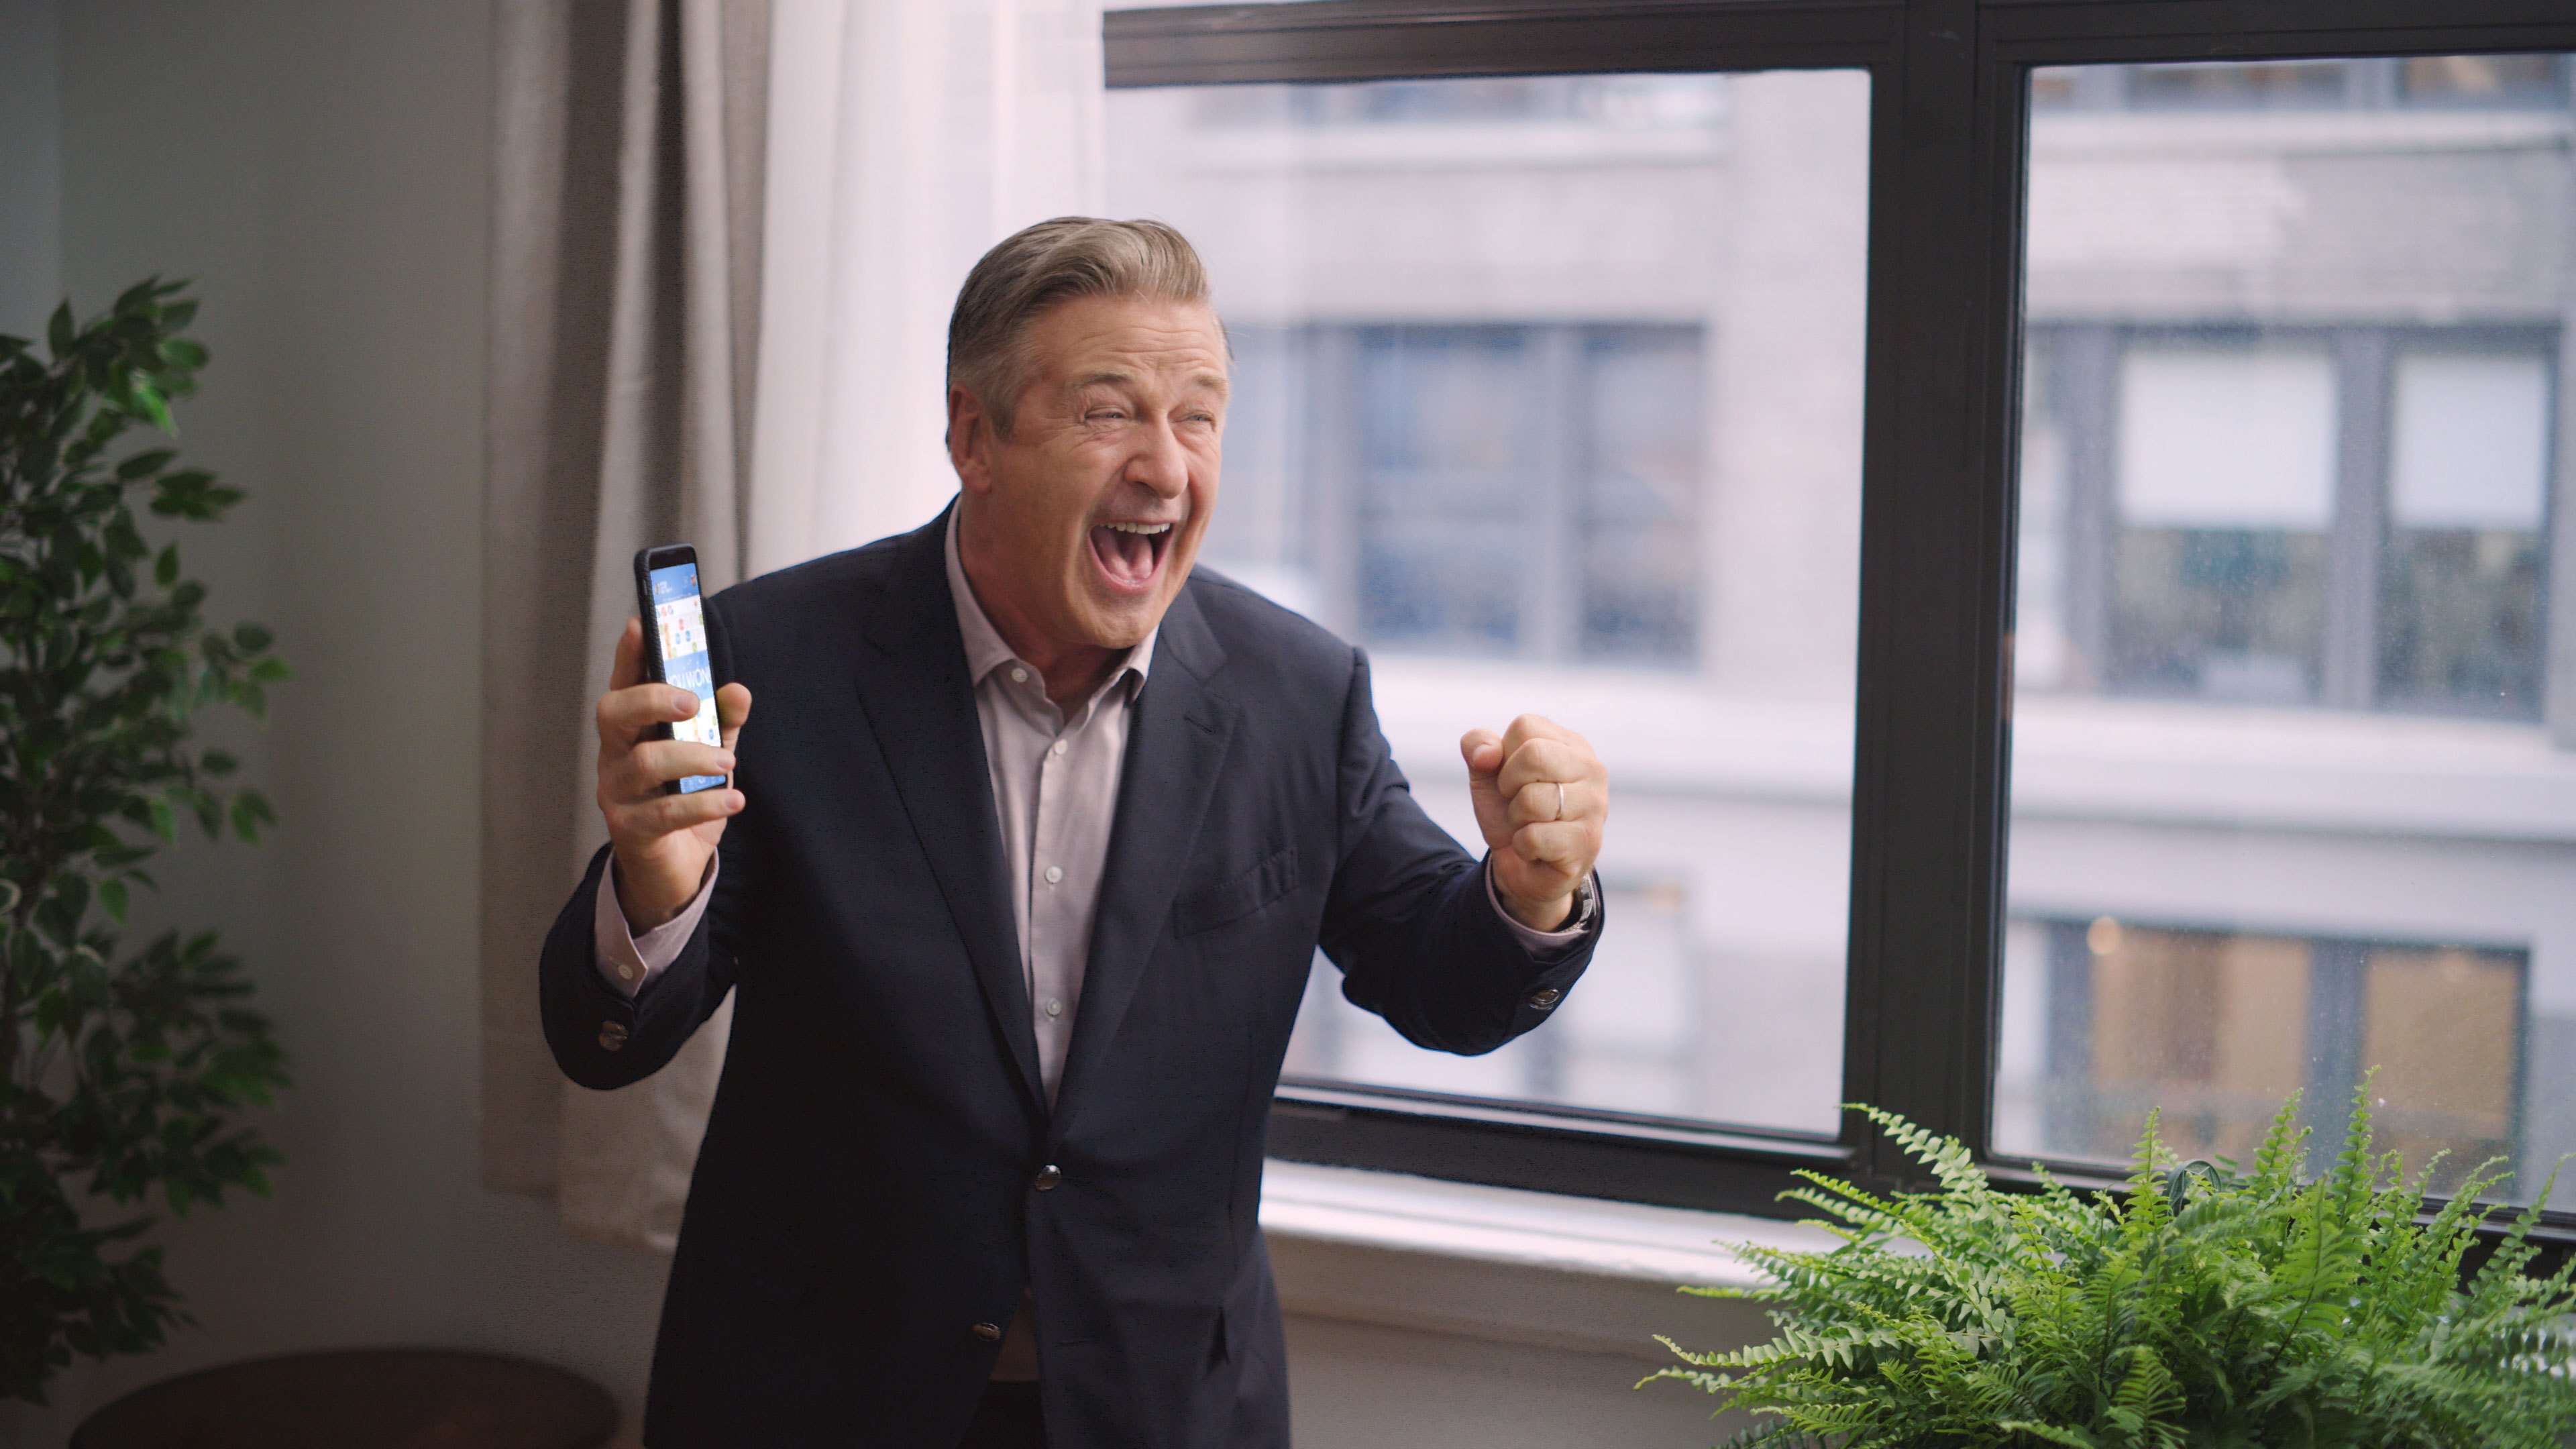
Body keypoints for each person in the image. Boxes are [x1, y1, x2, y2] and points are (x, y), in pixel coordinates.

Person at [538, 217, 1610, 1449]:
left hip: (1160, 1405)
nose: (1165, 466)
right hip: (818, 1393)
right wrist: (652, 893)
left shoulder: (1297, 695)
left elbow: (1445, 984)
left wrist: (1531, 893)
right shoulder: (772, 665)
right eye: (1111, 411)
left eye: (1198, 415)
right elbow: (605, 1043)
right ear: (974, 438)